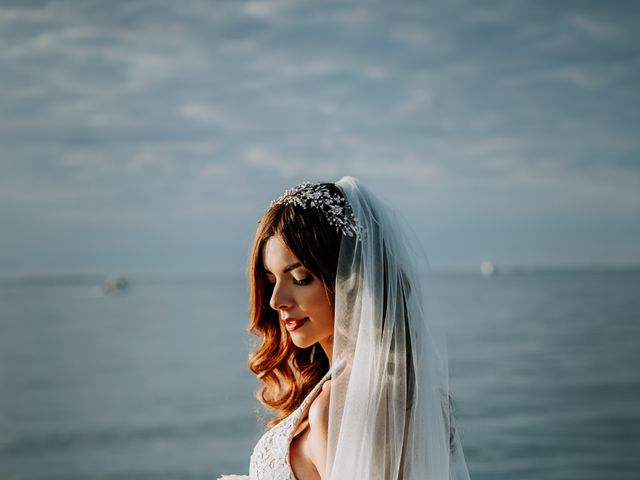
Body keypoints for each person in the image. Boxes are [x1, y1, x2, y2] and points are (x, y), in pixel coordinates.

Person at [218, 177, 471, 480]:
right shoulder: (378, 389)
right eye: (271, 281)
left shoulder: (339, 407)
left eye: (300, 278)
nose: (276, 301)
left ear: (349, 279)